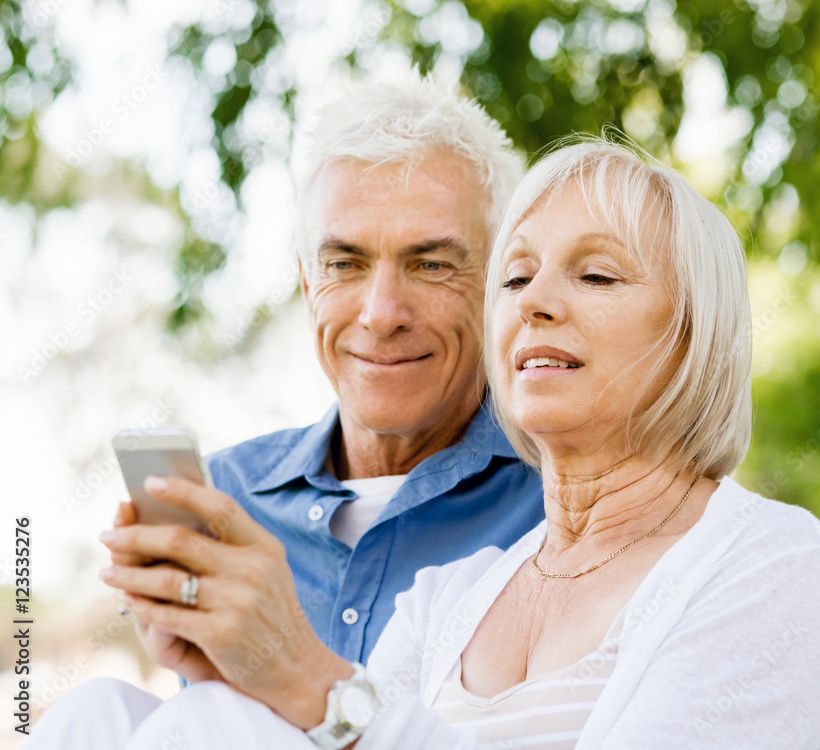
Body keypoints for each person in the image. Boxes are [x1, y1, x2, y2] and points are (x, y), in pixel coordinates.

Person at [27, 137, 820, 749]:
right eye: (516, 275)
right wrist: (235, 676)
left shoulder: (773, 566)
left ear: (694, 335)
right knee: (101, 715)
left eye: (596, 273)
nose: (535, 300)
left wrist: (309, 681)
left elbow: (351, 717)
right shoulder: (451, 597)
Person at [110, 70, 545, 676]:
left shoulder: (563, 506)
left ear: (503, 282)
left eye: (430, 264)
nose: (381, 314)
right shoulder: (226, 499)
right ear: (307, 281)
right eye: (345, 262)